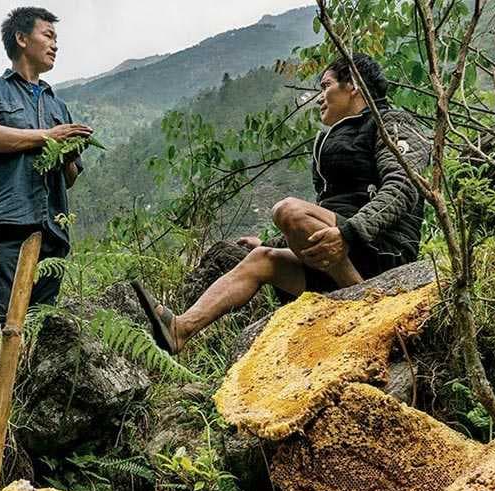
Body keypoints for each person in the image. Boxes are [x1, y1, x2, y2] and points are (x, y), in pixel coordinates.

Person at [133, 53, 431, 354]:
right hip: (341, 251)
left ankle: (367, 304)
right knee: (264, 258)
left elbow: (403, 186)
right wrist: (278, 240)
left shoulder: (390, 123)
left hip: (380, 251)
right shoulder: (333, 140)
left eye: (325, 85)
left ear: (352, 84)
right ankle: (181, 329)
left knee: (288, 210)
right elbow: (328, 211)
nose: (319, 98)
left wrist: (349, 234)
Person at [0, 6, 92, 336]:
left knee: (41, 330)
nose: (55, 44)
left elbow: (70, 177)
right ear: (21, 38)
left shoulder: (58, 106)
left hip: (53, 231)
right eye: (48, 35)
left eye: (56, 38)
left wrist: (67, 155)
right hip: (9, 223)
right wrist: (47, 137)